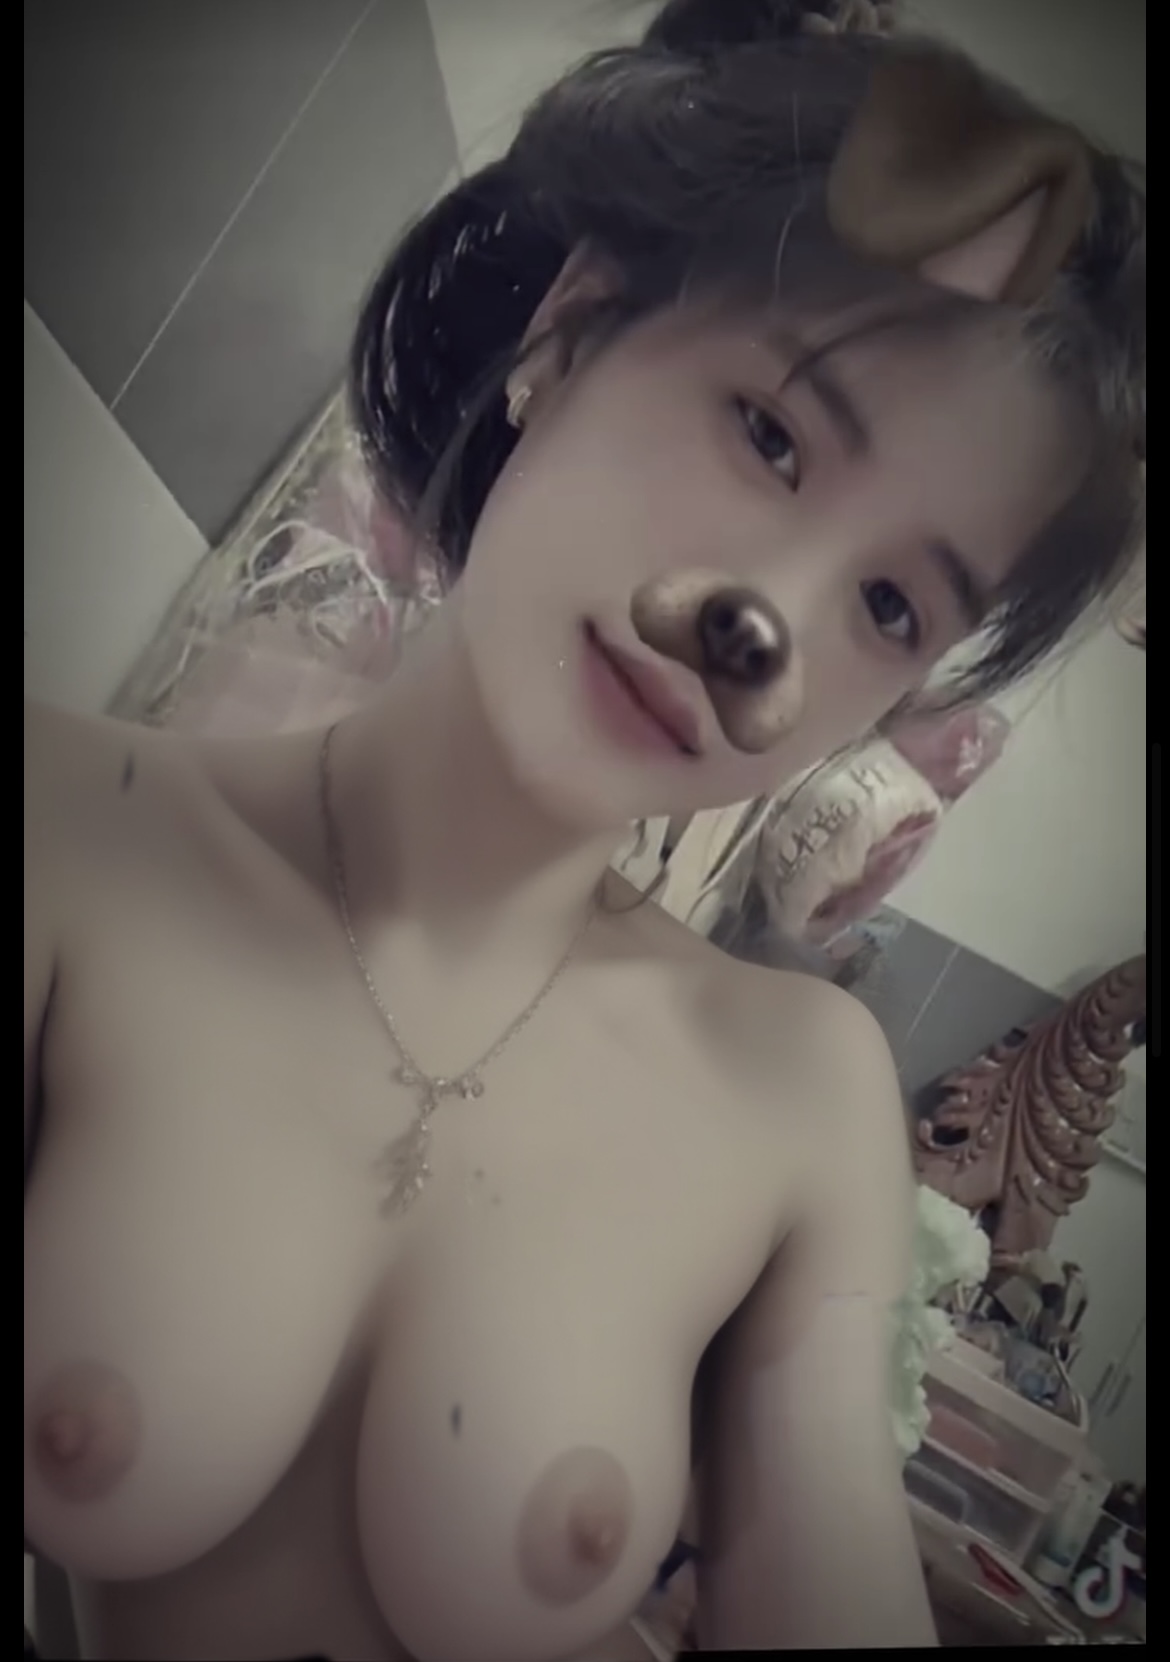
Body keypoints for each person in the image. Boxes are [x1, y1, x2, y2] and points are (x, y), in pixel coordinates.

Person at [23, 1, 1144, 1657]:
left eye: (890, 604)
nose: (764, 623)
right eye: (768, 432)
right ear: (569, 325)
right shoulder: (66, 841)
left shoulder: (797, 1097)